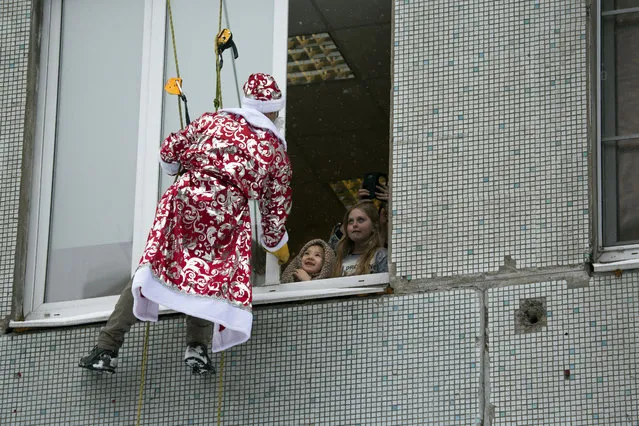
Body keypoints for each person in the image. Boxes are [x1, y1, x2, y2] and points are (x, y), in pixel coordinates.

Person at [79, 72, 292, 374]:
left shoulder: (214, 121)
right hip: (226, 213)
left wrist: (179, 166)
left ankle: (106, 347)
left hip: (185, 200)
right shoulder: (274, 150)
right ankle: (197, 347)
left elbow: (169, 150)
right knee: (211, 276)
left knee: (153, 269)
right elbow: (275, 205)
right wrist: (276, 243)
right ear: (273, 110)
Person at [332, 200, 388, 277]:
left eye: (360, 220)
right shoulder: (340, 258)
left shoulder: (381, 256)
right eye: (350, 221)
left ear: (374, 227)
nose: (354, 225)